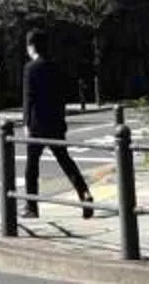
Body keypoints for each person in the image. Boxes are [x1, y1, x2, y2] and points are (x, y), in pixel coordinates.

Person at [22, 30, 95, 219]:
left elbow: (29, 99)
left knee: (32, 167)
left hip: (37, 126)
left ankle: (32, 207)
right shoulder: (56, 67)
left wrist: (26, 123)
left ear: (31, 46)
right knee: (66, 162)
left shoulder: (31, 68)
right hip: (55, 123)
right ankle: (85, 195)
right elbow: (63, 95)